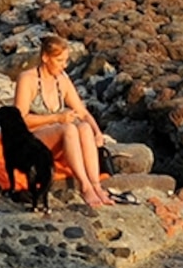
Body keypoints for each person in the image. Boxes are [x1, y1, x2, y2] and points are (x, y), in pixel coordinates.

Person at [10, 34, 112, 210]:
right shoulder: (27, 79)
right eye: (59, 61)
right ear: (45, 58)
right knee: (69, 129)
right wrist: (56, 118)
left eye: (66, 61)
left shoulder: (61, 80)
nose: (64, 65)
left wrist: (97, 132)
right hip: (31, 138)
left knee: (84, 127)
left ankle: (95, 184)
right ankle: (84, 186)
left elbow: (82, 111)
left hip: (54, 134)